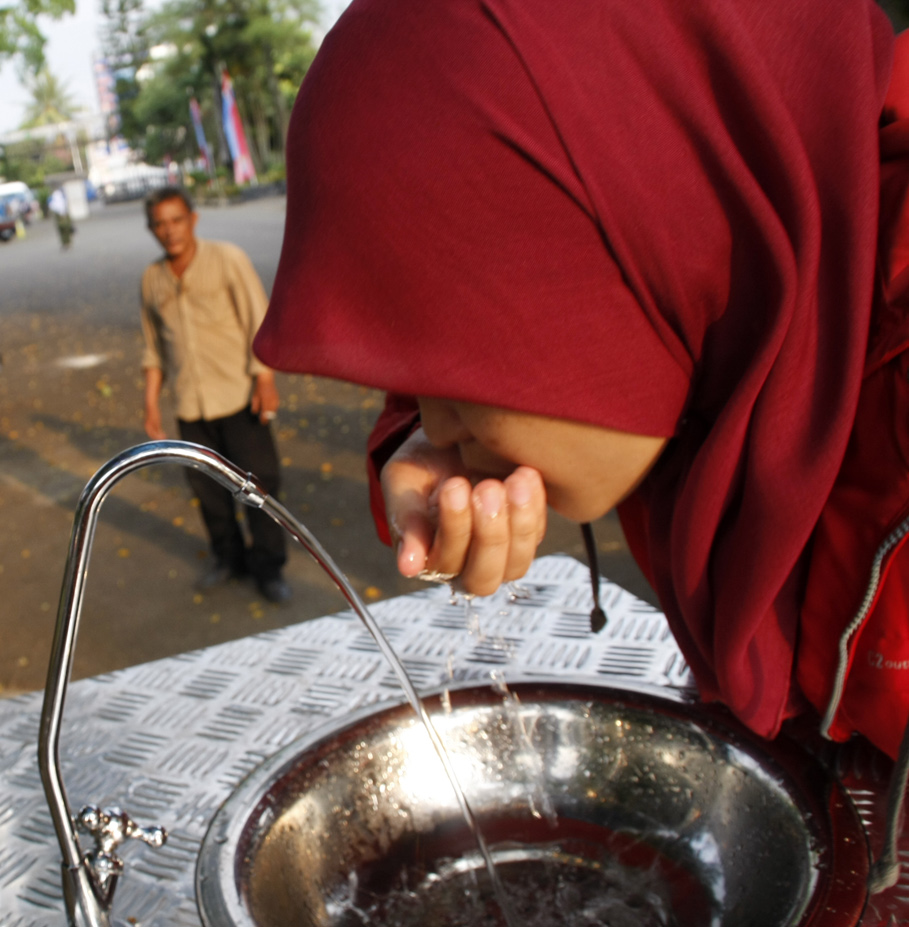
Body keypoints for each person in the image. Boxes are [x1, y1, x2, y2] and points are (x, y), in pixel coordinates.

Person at [253, 0, 909, 773]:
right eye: (417, 374)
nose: (440, 421)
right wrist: (411, 441)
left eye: (458, 376)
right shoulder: (726, 278)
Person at [140, 186, 291, 603]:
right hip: (190, 406)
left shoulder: (227, 259)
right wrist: (151, 404)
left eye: (176, 220)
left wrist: (265, 379)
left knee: (259, 486)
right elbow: (153, 348)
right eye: (160, 224)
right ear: (151, 229)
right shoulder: (152, 279)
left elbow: (258, 319)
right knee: (208, 493)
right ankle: (229, 560)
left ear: (193, 219)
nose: (170, 231)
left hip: (239, 397)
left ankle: (269, 568)